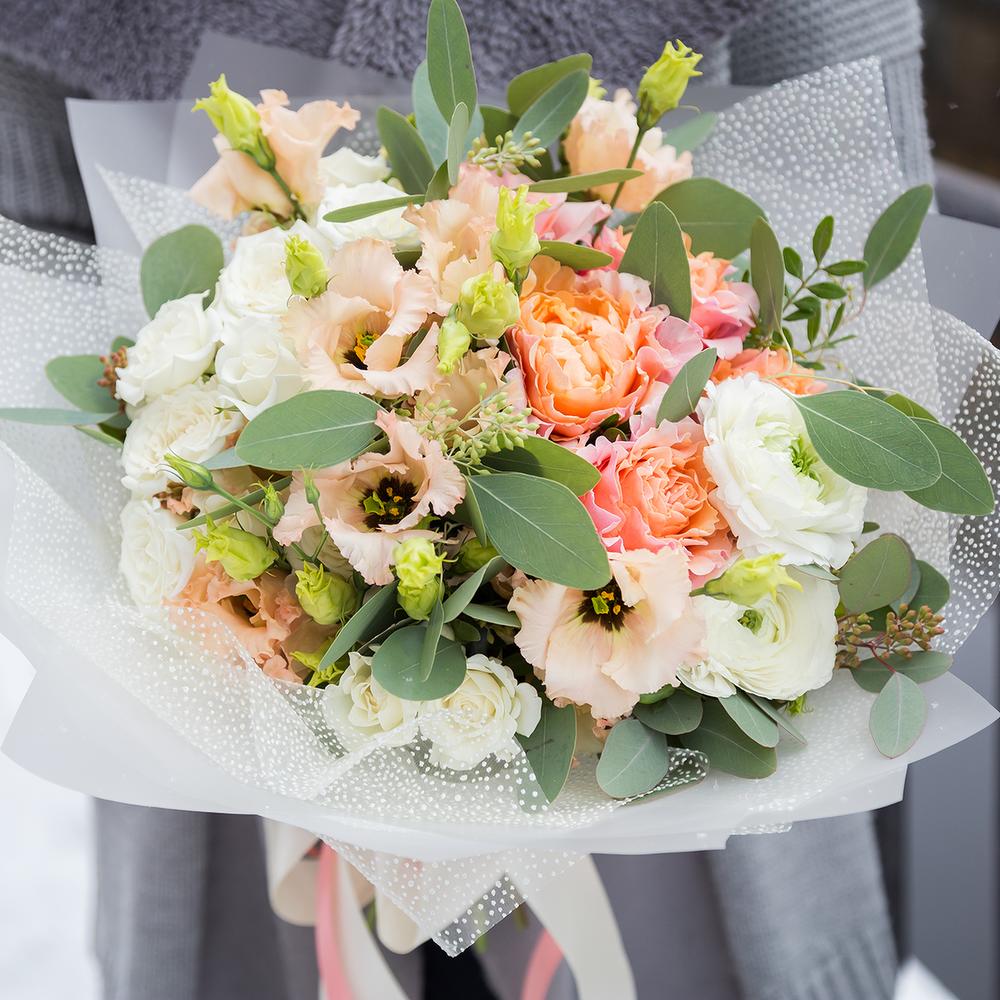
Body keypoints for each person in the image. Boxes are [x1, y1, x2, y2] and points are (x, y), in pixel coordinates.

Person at [0, 2, 925, 997]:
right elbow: (46, 251)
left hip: (659, 659)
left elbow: (862, 205)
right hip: (247, 645)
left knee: (681, 941)